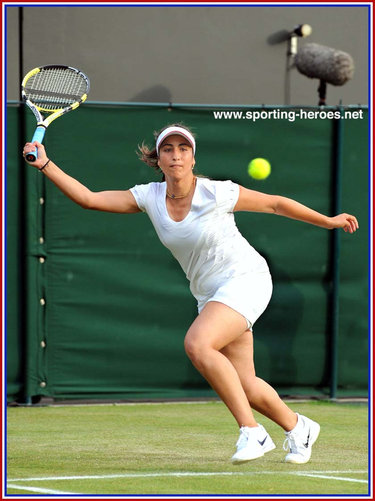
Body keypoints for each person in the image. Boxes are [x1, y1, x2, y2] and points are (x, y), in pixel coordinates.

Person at [23, 123, 359, 465]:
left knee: (198, 344)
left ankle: (252, 432)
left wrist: (329, 221)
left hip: (246, 278)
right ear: (159, 159)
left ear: (193, 157)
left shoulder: (217, 193)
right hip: (210, 293)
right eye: (168, 149)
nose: (176, 155)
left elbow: (274, 204)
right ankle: (298, 427)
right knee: (244, 384)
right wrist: (46, 165)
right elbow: (90, 199)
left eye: (183, 148)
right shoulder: (149, 197)